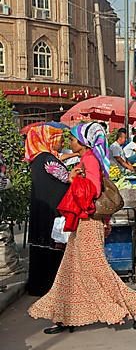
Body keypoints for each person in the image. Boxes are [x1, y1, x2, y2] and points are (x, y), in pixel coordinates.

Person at [29, 122, 136, 333]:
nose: (69, 142)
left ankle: (134, 307)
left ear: (83, 143)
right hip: (82, 220)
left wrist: (74, 179)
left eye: (73, 139)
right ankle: (64, 317)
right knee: (70, 270)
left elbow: (93, 191)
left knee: (94, 268)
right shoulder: (86, 159)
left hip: (88, 220)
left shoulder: (90, 160)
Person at [24, 125, 70, 296]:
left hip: (41, 207)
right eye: (59, 139)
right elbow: (66, 178)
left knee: (40, 246)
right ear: (49, 140)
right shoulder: (47, 159)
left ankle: (37, 285)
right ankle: (50, 287)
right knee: (52, 245)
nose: (62, 142)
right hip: (52, 209)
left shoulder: (37, 158)